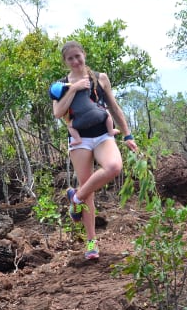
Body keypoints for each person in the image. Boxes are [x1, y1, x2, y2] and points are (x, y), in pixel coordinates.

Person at [51, 40, 138, 260]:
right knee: (87, 185)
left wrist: (127, 134)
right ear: (65, 62)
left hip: (102, 135)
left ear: (84, 55)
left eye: (78, 56)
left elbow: (114, 107)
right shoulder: (61, 85)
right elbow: (58, 112)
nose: (75, 61)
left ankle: (76, 198)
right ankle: (92, 243)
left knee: (114, 166)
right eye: (70, 58)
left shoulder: (100, 78)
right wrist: (74, 89)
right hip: (79, 141)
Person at [49, 81, 120, 146]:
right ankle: (110, 131)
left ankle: (77, 139)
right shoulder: (81, 90)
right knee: (107, 114)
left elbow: (61, 112)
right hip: (96, 114)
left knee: (69, 125)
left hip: (82, 121)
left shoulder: (65, 100)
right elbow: (89, 89)